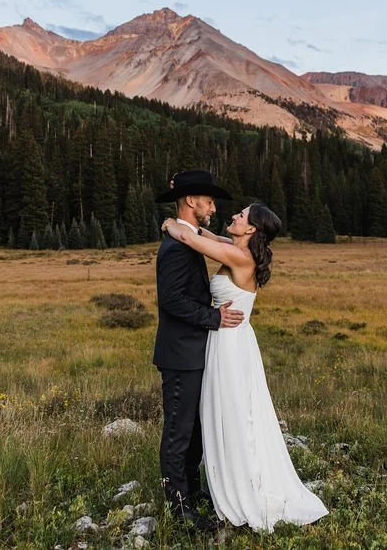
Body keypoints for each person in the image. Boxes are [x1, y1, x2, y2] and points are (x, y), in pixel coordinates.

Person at [162, 201, 329, 532]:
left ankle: (242, 486)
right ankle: (224, 479)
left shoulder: (241, 257)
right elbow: (204, 233)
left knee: (235, 414)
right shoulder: (233, 247)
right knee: (230, 412)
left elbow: (193, 240)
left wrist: (169, 224)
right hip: (228, 340)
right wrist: (187, 226)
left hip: (230, 344)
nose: (234, 216)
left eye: (241, 215)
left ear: (251, 229)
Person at [153, 170, 241, 532]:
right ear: (191, 201)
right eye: (208, 201)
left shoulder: (185, 238)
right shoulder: (175, 247)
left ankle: (191, 491)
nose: (213, 207)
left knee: (195, 429)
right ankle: (178, 508)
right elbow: (171, 300)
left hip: (194, 353)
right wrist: (213, 317)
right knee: (179, 430)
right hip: (179, 354)